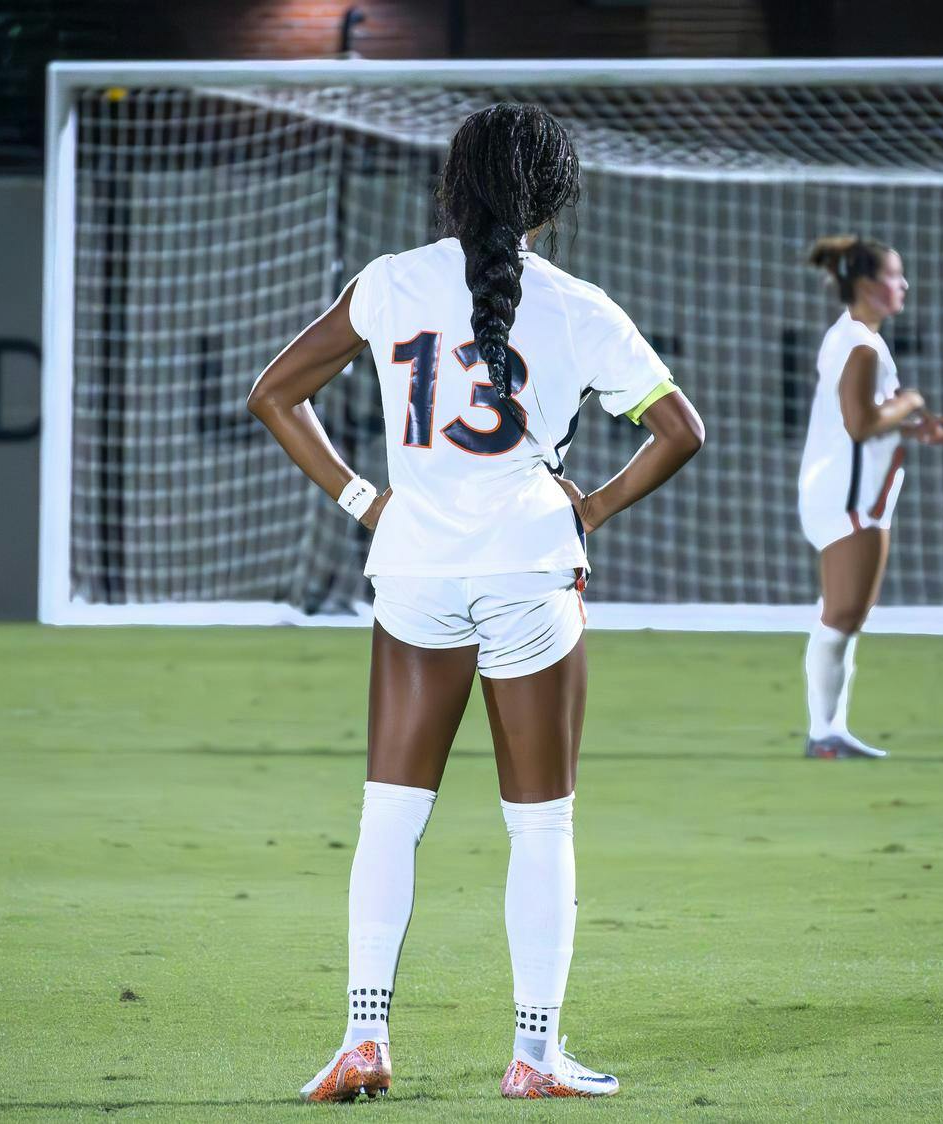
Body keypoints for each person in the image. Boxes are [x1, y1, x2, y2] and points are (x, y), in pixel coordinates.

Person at [246, 104, 704, 1102]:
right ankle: (533, 1052)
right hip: (529, 570)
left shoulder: (389, 281)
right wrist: (593, 506)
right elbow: (679, 430)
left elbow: (274, 394)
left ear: (452, 185)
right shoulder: (580, 304)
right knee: (539, 822)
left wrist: (365, 500)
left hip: (413, 570)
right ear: (552, 196)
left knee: (389, 813)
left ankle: (363, 1036)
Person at [796, 235, 943, 760]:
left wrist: (908, 427)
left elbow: (860, 423)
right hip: (849, 497)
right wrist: (910, 401)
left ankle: (831, 730)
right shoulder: (860, 344)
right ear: (866, 285)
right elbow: (860, 423)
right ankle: (824, 734)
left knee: (845, 616)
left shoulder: (854, 339)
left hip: (845, 491)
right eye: (894, 274)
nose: (903, 284)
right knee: (842, 615)